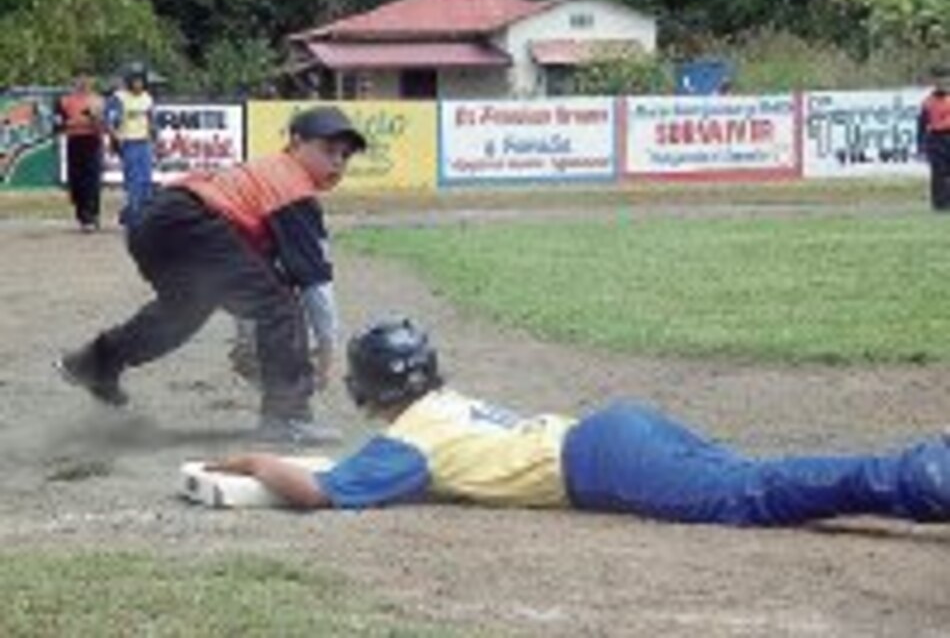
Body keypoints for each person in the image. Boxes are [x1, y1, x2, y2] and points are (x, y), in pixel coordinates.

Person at [208, 318, 950, 526]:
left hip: (601, 461)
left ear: (370, 389)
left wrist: (247, 459)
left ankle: (920, 474)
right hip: (613, 430)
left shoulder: (410, 441)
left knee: (748, 494)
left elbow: (318, 491)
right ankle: (920, 469)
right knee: (749, 477)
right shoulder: (443, 409)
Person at [56, 106, 366, 444]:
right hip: (191, 220)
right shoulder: (292, 186)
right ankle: (287, 417)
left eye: (344, 155)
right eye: (327, 149)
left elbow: (250, 274)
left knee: (183, 312)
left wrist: (252, 336)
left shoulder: (267, 174)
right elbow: (314, 284)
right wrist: (327, 350)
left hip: (155, 221)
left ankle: (94, 363)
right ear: (295, 142)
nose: (337, 161)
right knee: (278, 305)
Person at [54, 70, 105, 232]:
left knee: (92, 180)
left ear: (92, 80)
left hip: (92, 141)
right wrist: (77, 121)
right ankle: (81, 214)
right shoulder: (64, 101)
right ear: (73, 80)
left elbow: (103, 124)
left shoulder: (98, 100)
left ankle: (91, 216)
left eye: (87, 78)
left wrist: (94, 119)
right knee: (76, 181)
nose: (83, 81)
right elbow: (58, 125)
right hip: (74, 141)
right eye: (79, 78)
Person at [106, 62, 156, 227]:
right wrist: (114, 139)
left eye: (141, 80)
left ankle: (141, 214)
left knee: (146, 181)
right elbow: (111, 121)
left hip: (144, 142)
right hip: (129, 143)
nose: (138, 84)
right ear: (128, 81)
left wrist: (154, 137)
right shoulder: (119, 97)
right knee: (133, 182)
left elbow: (151, 120)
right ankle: (135, 218)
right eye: (135, 80)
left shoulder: (147, 98)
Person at [917, 64, 950, 211]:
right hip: (936, 139)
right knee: (938, 173)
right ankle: (940, 205)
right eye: (939, 80)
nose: (942, 83)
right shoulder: (928, 102)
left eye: (945, 79)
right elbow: (922, 125)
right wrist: (921, 146)